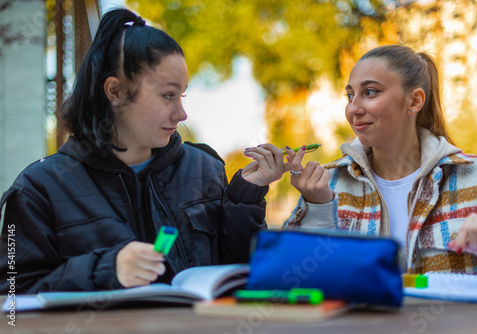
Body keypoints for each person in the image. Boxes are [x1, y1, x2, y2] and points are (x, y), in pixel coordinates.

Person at [0, 9, 286, 293]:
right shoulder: (38, 190)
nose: (182, 113)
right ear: (115, 92)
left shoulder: (204, 169)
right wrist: (106, 269)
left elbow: (240, 273)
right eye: (168, 96)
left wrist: (245, 197)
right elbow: (11, 296)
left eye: (182, 95)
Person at [283, 45, 477, 275]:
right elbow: (292, 277)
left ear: (415, 101)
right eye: (349, 96)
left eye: (370, 92)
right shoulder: (328, 185)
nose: (353, 109)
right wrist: (317, 210)